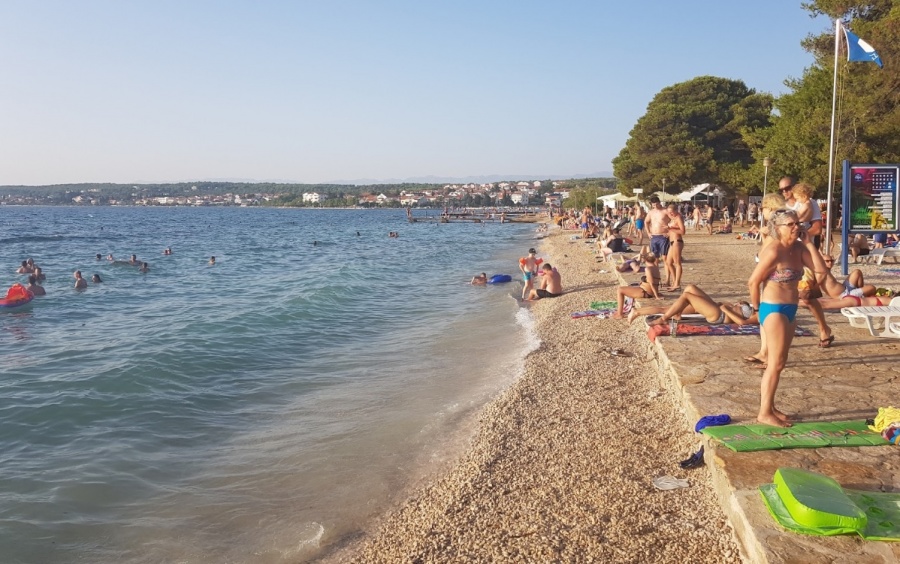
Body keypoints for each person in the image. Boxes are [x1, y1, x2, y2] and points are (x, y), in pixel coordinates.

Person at [748, 208, 819, 428]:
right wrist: (756, 309)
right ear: (777, 228)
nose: (796, 227)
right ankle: (764, 413)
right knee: (775, 363)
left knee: (779, 363)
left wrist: (809, 244)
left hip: (790, 309)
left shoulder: (798, 248)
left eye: (797, 223)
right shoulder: (774, 250)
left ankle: (770, 407)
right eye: (790, 224)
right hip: (774, 308)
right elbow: (753, 282)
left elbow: (821, 270)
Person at [629, 285, 757, 326]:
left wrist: (725, 308)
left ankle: (663, 319)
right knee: (690, 288)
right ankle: (637, 311)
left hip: (718, 315)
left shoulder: (755, 314)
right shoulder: (756, 307)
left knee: (686, 296)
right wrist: (725, 305)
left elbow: (742, 322)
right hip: (714, 308)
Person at [612, 254, 661, 318]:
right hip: (646, 290)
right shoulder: (656, 268)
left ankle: (619, 314)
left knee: (620, 290)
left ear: (645, 260)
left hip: (645, 292)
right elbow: (656, 282)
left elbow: (651, 283)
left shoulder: (648, 269)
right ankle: (620, 312)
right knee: (629, 287)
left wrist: (656, 296)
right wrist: (656, 292)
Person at [790, 182, 824, 250]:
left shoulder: (807, 204)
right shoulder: (806, 204)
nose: (797, 200)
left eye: (797, 198)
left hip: (803, 234)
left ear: (804, 196)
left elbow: (798, 215)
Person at [664, 203, 685, 291]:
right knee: (668, 262)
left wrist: (670, 229)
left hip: (677, 241)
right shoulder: (673, 218)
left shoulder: (678, 218)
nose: (670, 214)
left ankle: (677, 284)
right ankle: (674, 281)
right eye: (669, 212)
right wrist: (668, 233)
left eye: (672, 212)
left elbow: (682, 231)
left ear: (676, 210)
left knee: (677, 263)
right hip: (672, 242)